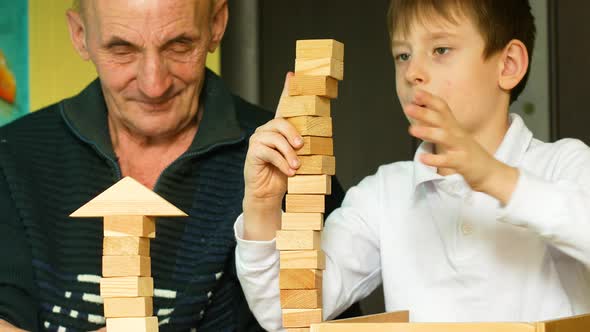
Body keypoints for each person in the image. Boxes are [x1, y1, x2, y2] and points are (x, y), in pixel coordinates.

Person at [235, 0, 590, 330]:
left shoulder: (563, 165)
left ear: (508, 65)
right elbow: (284, 313)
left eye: (440, 50)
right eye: (403, 55)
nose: (413, 72)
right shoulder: (383, 195)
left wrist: (493, 176)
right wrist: (263, 208)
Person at [0, 0, 349, 331]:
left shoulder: (292, 160)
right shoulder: (10, 156)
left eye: (179, 46)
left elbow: (328, 319)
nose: (154, 85)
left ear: (216, 24)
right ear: (80, 36)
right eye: (122, 50)